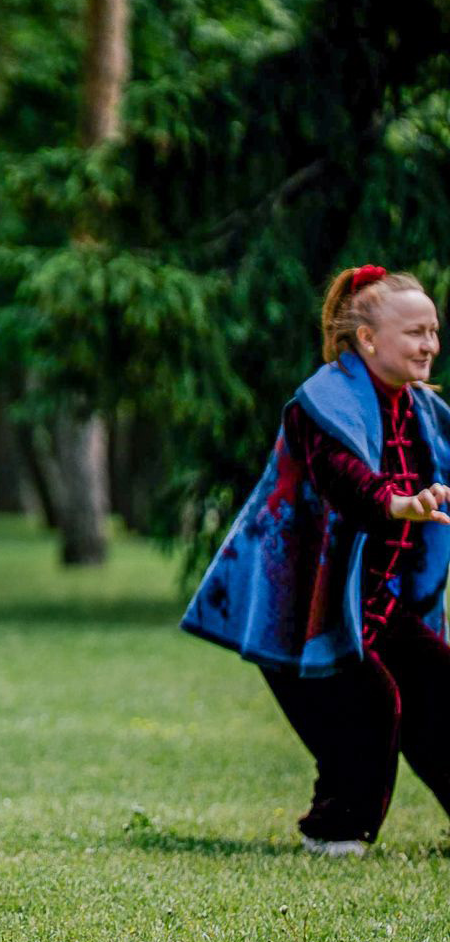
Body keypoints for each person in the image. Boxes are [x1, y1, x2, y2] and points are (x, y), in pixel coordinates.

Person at [182, 264, 450, 856]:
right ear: (368, 339)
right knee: (368, 705)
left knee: (438, 688)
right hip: (301, 606)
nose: (429, 344)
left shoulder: (424, 413)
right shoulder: (321, 403)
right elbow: (343, 477)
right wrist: (395, 503)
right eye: (415, 332)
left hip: (374, 603)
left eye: (433, 331)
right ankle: (334, 833)